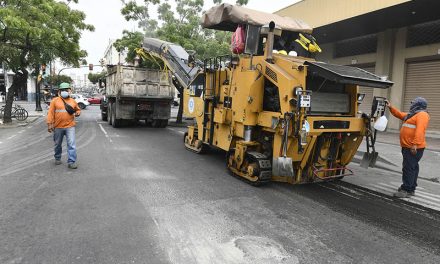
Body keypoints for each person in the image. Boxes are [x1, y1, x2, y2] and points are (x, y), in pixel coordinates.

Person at [386, 97, 430, 198]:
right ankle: (411, 188)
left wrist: (415, 144)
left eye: (413, 103)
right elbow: (400, 114)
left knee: (408, 168)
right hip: (409, 146)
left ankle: (406, 190)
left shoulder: (422, 115)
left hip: (413, 147)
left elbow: (420, 130)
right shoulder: (413, 115)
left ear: (419, 105)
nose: (411, 105)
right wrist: (390, 107)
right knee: (413, 167)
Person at [46, 82, 81, 169]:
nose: (65, 91)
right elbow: (50, 113)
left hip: (70, 126)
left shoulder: (73, 101)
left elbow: (78, 109)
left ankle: (71, 162)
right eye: (63, 90)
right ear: (59, 91)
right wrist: (49, 124)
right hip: (58, 127)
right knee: (57, 144)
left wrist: (78, 113)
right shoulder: (55, 101)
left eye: (66, 90)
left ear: (69, 91)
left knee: (71, 144)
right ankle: (57, 158)